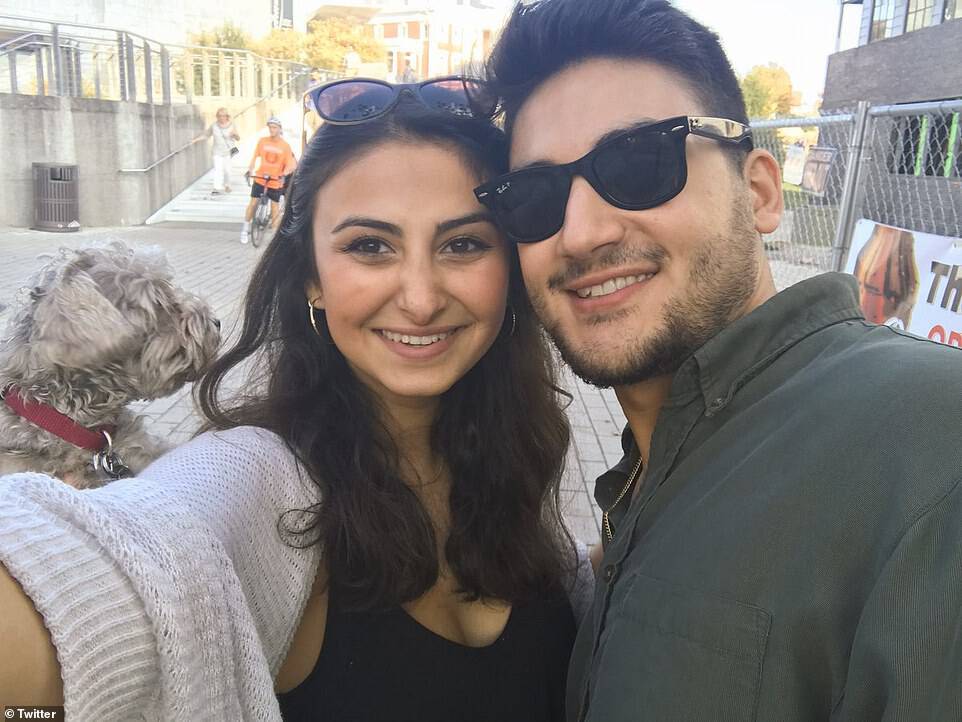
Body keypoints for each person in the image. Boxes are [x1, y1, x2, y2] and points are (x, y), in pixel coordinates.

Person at [0, 81, 593, 720]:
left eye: (463, 244)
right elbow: (111, 565)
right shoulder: (253, 481)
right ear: (311, 276)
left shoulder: (513, 455)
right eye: (370, 246)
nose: (421, 299)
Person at [475, 1, 962, 720]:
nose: (578, 233)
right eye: (535, 198)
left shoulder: (934, 437)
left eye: (638, 163)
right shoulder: (645, 475)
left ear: (759, 192)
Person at [241, 117, 297, 244]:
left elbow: (290, 164)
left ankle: (273, 237)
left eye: (274, 127)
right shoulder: (262, 141)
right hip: (261, 177)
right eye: (270, 127)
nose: (272, 130)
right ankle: (245, 229)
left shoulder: (285, 146)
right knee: (253, 203)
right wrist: (250, 169)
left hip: (275, 180)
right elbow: (254, 156)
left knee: (274, 206)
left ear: (280, 129)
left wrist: (284, 174)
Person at [205, 107, 240, 194]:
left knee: (227, 170)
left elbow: (238, 138)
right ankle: (217, 188)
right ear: (217, 116)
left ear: (227, 116)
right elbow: (207, 135)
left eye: (223, 116)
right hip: (216, 151)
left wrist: (234, 135)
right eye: (219, 116)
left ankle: (227, 185)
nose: (221, 118)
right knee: (217, 169)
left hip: (227, 151)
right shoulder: (214, 126)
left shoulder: (232, 125)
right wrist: (195, 140)